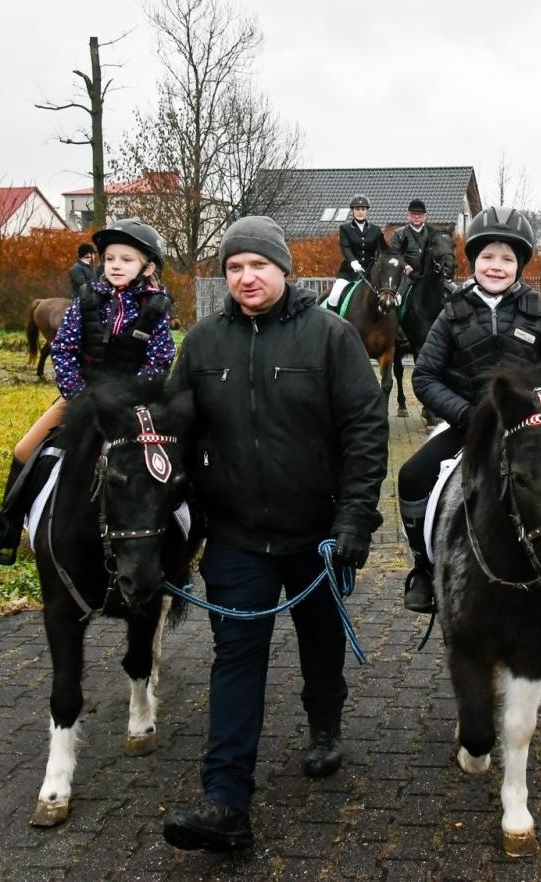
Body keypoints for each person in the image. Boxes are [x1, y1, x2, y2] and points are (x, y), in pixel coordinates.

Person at [161, 215, 387, 853]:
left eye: (257, 265)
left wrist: (354, 520)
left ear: (283, 270)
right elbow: (175, 432)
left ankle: (324, 722)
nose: (246, 277)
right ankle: (226, 799)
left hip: (315, 533)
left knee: (319, 639)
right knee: (237, 655)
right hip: (234, 536)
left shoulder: (330, 338)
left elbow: (366, 433)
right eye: (234, 267)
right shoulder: (202, 344)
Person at [398, 206, 541, 613]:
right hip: (470, 427)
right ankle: (423, 569)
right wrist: (466, 415)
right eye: (488, 257)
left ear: (519, 264)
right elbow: (424, 376)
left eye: (507, 258)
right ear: (474, 260)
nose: (496, 266)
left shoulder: (538, 313)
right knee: (411, 476)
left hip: (528, 432)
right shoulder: (452, 314)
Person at [0, 218, 175, 564]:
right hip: (83, 395)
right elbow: (64, 349)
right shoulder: (86, 299)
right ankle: (5, 527)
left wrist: (134, 397)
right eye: (110, 259)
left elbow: (160, 359)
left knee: (173, 455)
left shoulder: (157, 308)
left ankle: (180, 540)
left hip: (134, 403)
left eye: (126, 259)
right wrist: (76, 392)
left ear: (147, 266)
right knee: (23, 449)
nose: (116, 266)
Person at [327, 193, 386, 309]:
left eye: (363, 209)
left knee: (393, 297)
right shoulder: (345, 228)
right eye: (357, 209)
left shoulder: (376, 230)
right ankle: (333, 323)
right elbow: (345, 247)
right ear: (352, 211)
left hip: (370, 272)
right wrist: (353, 261)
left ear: (367, 211)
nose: (360, 212)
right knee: (333, 297)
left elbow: (381, 250)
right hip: (349, 272)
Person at [390, 198, 429, 276]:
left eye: (419, 214)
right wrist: (404, 266)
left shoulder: (432, 233)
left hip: (429, 275)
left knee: (454, 288)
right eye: (413, 214)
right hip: (408, 275)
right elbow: (394, 254)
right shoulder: (399, 234)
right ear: (408, 216)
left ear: (425, 216)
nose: (416, 217)